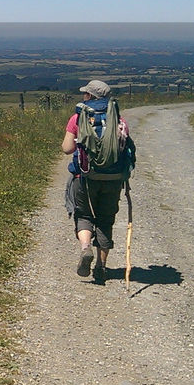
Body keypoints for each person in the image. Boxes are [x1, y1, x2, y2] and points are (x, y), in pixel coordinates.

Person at [60, 80, 131, 283]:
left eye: (86, 94)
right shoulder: (119, 119)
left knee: (83, 214)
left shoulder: (78, 117)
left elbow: (66, 148)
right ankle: (101, 266)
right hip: (113, 179)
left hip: (84, 177)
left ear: (90, 96)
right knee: (105, 219)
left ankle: (85, 249)